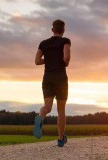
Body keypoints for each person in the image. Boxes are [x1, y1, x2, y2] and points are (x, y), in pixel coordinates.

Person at [33, 19, 71, 147]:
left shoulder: (43, 43)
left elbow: (37, 61)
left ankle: (41, 117)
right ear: (63, 30)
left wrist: (48, 59)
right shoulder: (65, 41)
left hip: (47, 78)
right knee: (61, 110)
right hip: (60, 78)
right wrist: (64, 62)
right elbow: (66, 58)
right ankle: (60, 139)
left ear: (52, 30)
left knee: (47, 107)